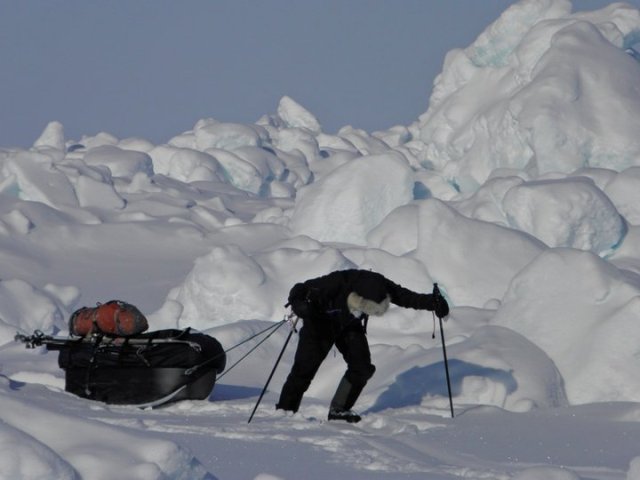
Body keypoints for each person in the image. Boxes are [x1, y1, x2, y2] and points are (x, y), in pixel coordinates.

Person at [276, 269, 449, 423]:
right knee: (303, 370)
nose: (369, 311)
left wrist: (433, 303)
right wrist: (299, 304)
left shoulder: (380, 285)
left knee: (362, 367)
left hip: (348, 325)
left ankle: (339, 410)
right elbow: (300, 288)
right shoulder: (338, 281)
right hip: (320, 324)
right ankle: (285, 411)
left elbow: (406, 297)